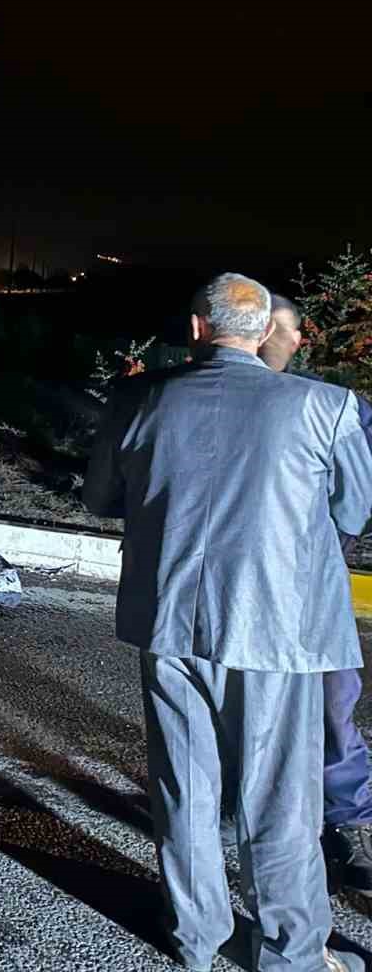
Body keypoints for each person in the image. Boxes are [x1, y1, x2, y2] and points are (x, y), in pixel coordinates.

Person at [85, 273, 372, 972]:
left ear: (196, 329)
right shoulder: (326, 407)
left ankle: (196, 936)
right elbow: (355, 513)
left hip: (171, 620)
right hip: (282, 630)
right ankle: (291, 953)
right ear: (267, 330)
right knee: (278, 800)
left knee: (184, 783)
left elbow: (101, 499)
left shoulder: (137, 400)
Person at [261, 293, 372, 896]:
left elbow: (355, 501)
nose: (262, 337)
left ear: (299, 340)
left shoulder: (331, 407)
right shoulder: (221, 399)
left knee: (332, 704)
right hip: (245, 592)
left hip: (309, 591)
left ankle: (347, 822)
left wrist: (320, 557)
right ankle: (247, 811)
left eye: (275, 329)